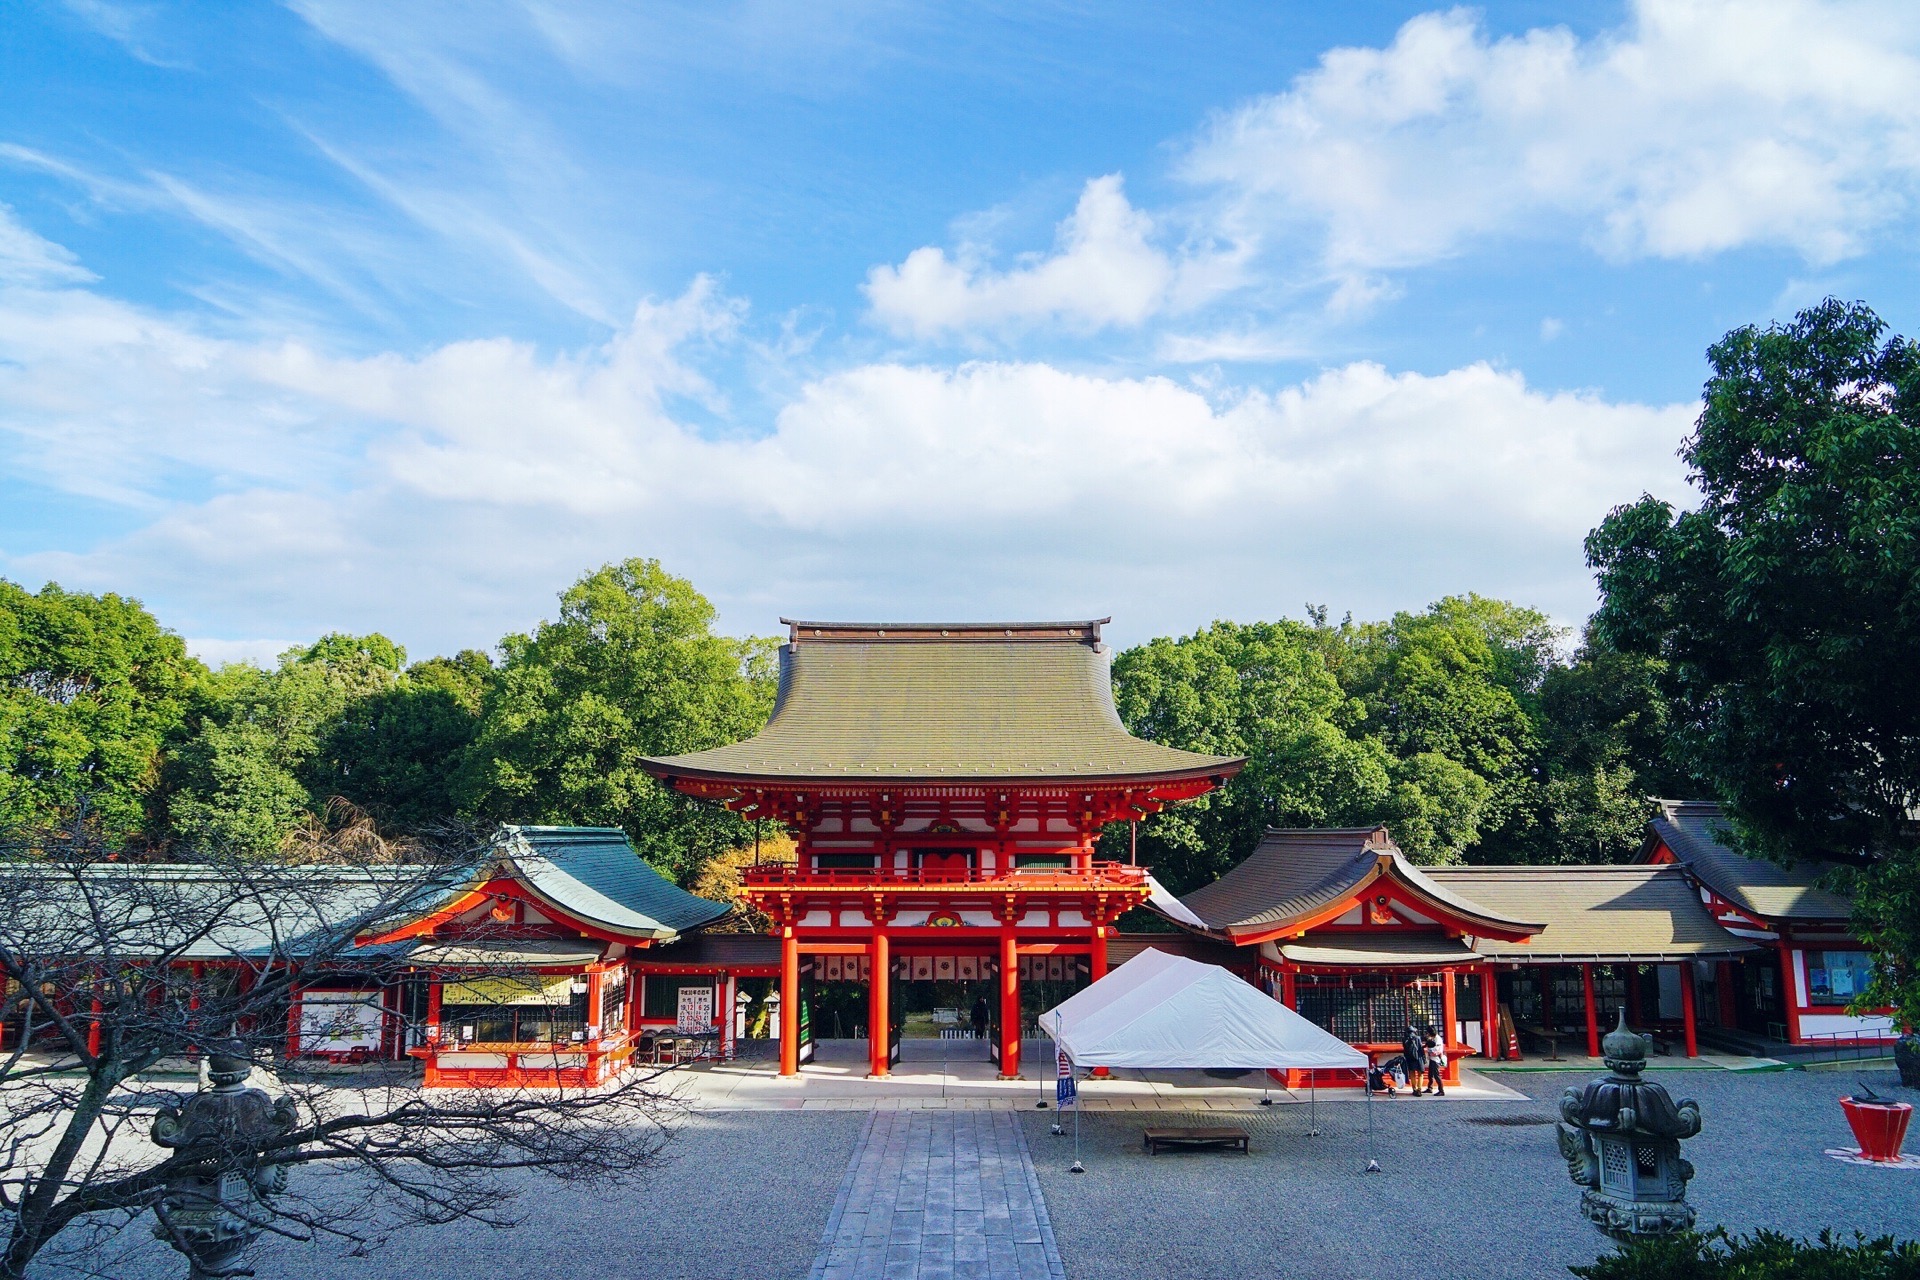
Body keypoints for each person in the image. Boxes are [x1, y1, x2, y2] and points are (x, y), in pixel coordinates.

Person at [1401, 1023, 1428, 1095]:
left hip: (1409, 1058)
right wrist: (1424, 1058)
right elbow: (1420, 1048)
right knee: (1420, 1074)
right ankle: (1419, 1089)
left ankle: (1414, 1089)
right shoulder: (1417, 1038)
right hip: (1418, 1057)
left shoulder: (1404, 1039)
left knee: (1412, 1074)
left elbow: (1405, 1049)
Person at [1424, 1032, 1447, 1097]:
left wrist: (1430, 1051)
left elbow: (1438, 1050)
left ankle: (1441, 1090)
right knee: (1430, 1074)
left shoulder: (1438, 1039)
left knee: (1436, 1075)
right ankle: (1430, 1088)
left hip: (1436, 1059)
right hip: (1432, 1058)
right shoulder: (1433, 1038)